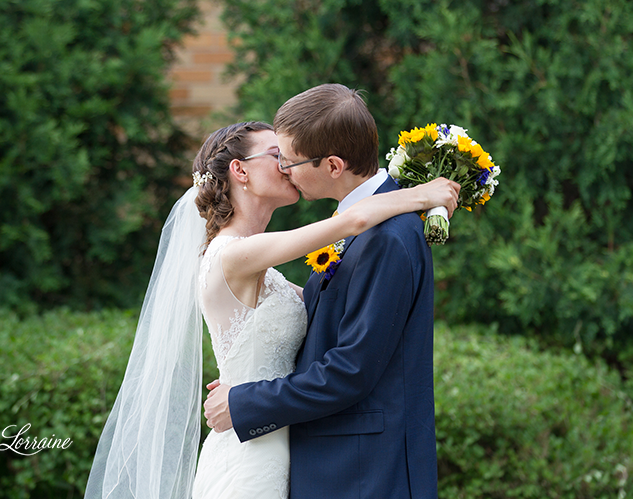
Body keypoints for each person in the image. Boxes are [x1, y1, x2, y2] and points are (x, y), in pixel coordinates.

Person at [84, 116, 458, 498]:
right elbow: (355, 219)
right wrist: (423, 194)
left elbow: (328, 304)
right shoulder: (233, 254)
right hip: (249, 454)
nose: (286, 165)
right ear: (239, 170)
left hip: (284, 443)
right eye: (276, 155)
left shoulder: (267, 270)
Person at [204, 84, 443, 499]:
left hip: (363, 470)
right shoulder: (353, 227)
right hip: (300, 461)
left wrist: (245, 402)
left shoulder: (384, 237)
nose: (285, 170)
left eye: (290, 160)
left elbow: (351, 370)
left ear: (333, 165)